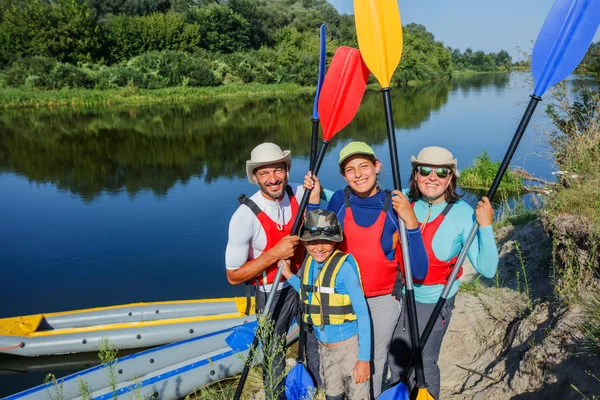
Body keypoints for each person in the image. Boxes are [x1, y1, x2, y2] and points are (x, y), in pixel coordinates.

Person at [304, 141, 429, 399]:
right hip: (343, 301)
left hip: (380, 300)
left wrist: (412, 221)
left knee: (371, 363)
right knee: (343, 363)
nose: (358, 174)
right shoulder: (339, 199)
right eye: (350, 169)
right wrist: (313, 202)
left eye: (364, 166)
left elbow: (419, 272)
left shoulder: (395, 204)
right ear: (343, 175)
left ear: (377, 166)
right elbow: (317, 243)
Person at [387, 146, 499, 399]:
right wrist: (315, 195)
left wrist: (486, 227)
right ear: (415, 174)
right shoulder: (402, 199)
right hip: (399, 295)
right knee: (397, 360)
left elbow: (488, 269)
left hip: (435, 302)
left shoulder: (462, 214)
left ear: (451, 178)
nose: (432, 177)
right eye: (424, 170)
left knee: (425, 362)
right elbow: (367, 201)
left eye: (441, 173)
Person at [225, 142, 321, 399]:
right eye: (264, 173)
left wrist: (316, 197)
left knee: (313, 337)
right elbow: (233, 276)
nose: (273, 179)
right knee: (274, 353)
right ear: (255, 177)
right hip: (270, 292)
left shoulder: (301, 195)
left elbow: (321, 222)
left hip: (301, 282)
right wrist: (273, 255)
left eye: (278, 170)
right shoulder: (244, 216)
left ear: (287, 171)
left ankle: (318, 386)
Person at [281, 209, 371, 400]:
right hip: (325, 349)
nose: (319, 247)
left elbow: (363, 315)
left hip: (349, 349)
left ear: (335, 241)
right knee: (332, 395)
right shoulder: (311, 264)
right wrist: (289, 275)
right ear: (304, 243)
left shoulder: (344, 268)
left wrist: (363, 359)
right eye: (312, 241)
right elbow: (309, 293)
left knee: (357, 396)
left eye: (326, 241)